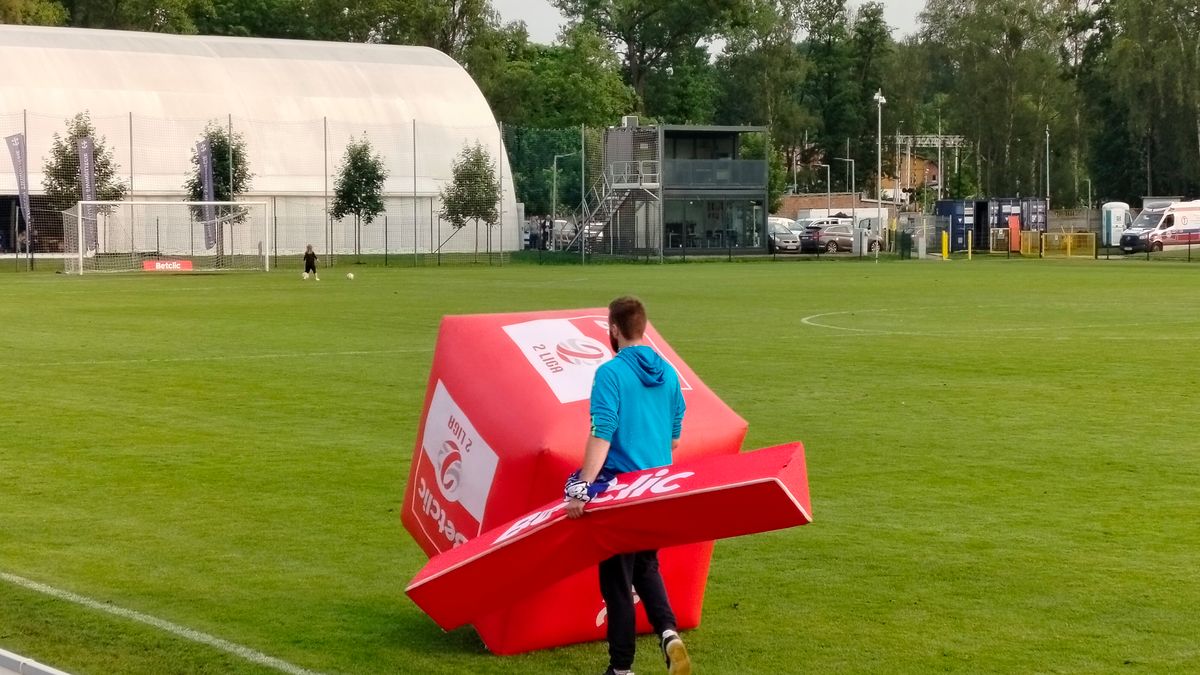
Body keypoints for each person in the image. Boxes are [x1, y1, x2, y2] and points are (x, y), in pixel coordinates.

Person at [565, 296, 691, 675]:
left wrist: (582, 486)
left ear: (615, 330)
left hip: (621, 489)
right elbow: (673, 439)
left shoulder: (611, 374)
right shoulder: (668, 373)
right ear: (644, 327)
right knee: (646, 567)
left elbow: (602, 432)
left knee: (617, 580)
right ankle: (669, 633)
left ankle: (621, 668)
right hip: (656, 487)